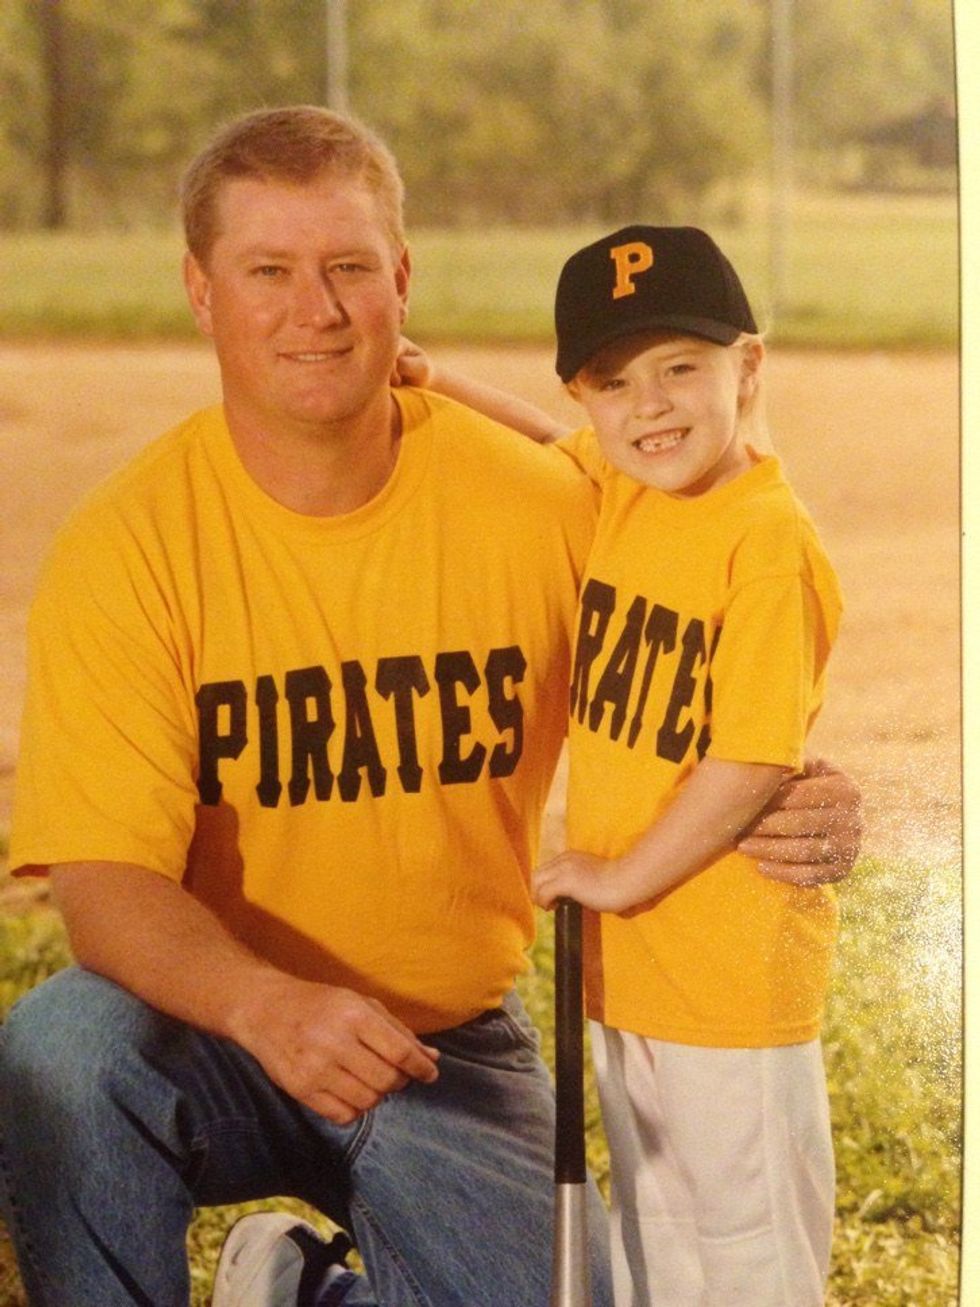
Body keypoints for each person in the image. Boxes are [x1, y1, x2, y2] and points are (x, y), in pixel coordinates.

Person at [0, 101, 859, 1307]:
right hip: (219, 1028)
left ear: (400, 279)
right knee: (61, 1048)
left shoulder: (537, 506)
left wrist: (805, 792)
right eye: (270, 271)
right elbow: (102, 885)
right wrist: (266, 1003)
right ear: (202, 291)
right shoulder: (129, 545)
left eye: (349, 266)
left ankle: (299, 1289)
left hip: (444, 1040)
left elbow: (705, 634)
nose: (319, 308)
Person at [400, 225, 847, 1307]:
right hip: (636, 968)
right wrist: (432, 378)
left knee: (745, 1248)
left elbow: (746, 762)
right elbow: (549, 444)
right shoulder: (629, 481)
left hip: (725, 968)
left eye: (677, 369)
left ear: (746, 367)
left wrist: (617, 876)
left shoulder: (764, 542)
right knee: (659, 1237)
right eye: (613, 383)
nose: (646, 406)